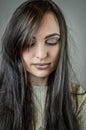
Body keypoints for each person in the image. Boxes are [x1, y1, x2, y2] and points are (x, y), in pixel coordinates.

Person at [0, 0, 86, 130]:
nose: (41, 55)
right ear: (15, 44)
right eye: (29, 42)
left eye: (52, 41)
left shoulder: (77, 97)